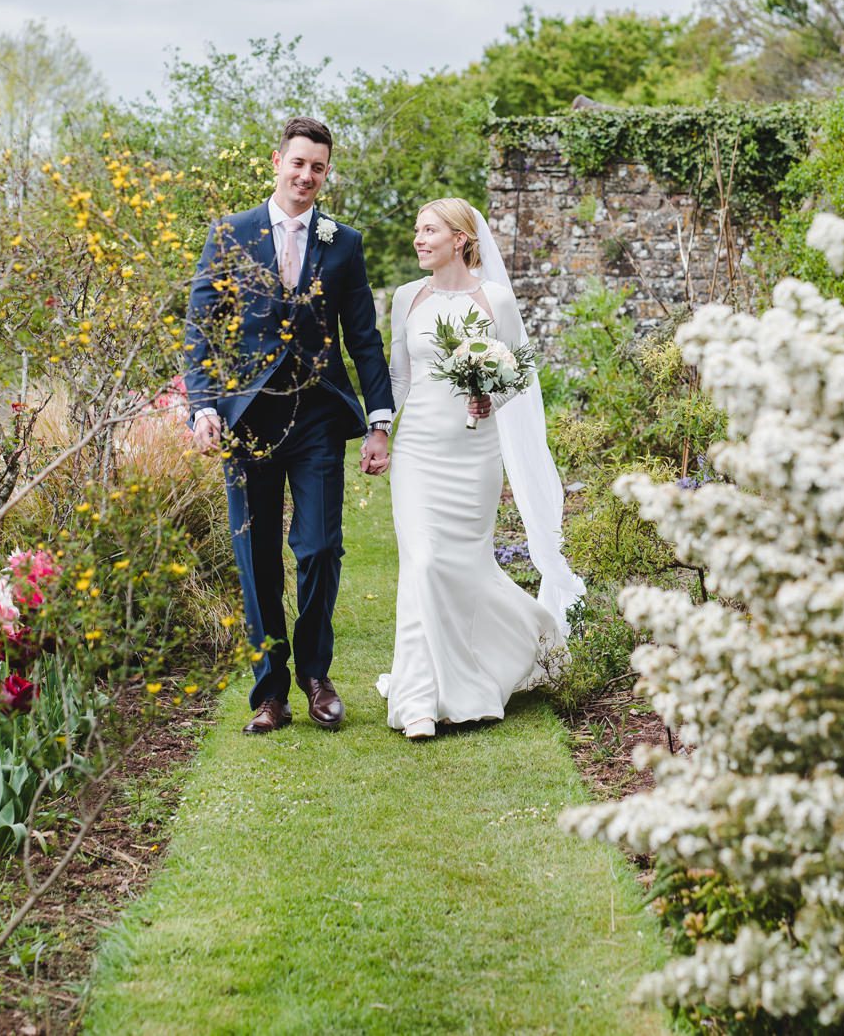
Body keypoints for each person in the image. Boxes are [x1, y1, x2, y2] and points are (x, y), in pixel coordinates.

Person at [182, 117, 394, 735]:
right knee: (256, 558)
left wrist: (379, 422)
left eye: (318, 168)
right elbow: (201, 330)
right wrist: (203, 407)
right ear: (276, 161)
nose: (306, 176)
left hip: (317, 418)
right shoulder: (230, 234)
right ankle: (269, 691)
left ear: (326, 174)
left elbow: (364, 339)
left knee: (321, 546)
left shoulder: (343, 243)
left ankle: (316, 675)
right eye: (297, 163)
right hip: (246, 421)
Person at [374, 198, 585, 740]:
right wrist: (379, 431)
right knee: (422, 563)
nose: (418, 239)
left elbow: (520, 374)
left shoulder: (495, 300)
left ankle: (527, 640)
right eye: (417, 230)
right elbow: (399, 378)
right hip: (419, 449)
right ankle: (419, 699)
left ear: (461, 239)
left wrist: (488, 394)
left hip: (474, 456)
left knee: (463, 567)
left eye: (429, 230)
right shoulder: (406, 299)